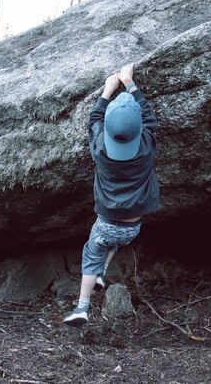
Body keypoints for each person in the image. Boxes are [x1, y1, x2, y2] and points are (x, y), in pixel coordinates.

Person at [63, 63, 160, 326]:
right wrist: (130, 83)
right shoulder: (146, 147)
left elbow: (94, 119)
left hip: (106, 224)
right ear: (139, 129)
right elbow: (150, 117)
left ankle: (82, 307)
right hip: (133, 228)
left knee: (91, 254)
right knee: (114, 240)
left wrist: (108, 90)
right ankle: (103, 274)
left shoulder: (101, 151)